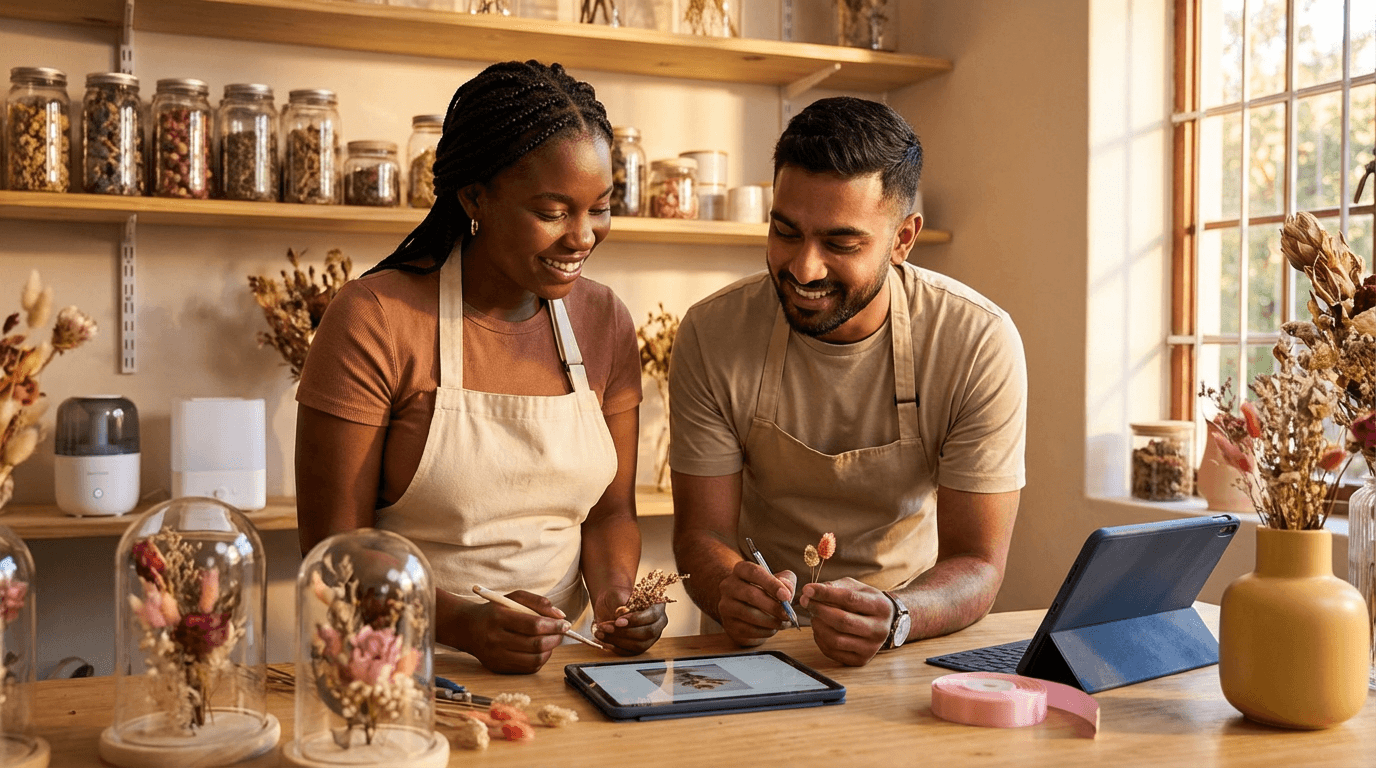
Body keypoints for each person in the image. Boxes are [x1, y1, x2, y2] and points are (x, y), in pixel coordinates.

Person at [295, 60, 666, 674]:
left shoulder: (604, 321)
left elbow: (609, 514)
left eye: (600, 207)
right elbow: (337, 554)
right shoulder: (375, 319)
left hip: (563, 669)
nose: (583, 237)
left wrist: (617, 599)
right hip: (394, 668)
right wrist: (464, 625)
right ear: (475, 196)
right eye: (552, 211)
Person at [670, 97, 1026, 667]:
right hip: (752, 653)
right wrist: (726, 588)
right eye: (786, 232)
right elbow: (699, 535)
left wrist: (899, 614)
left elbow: (980, 562)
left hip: (906, 640)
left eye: (840, 244)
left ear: (903, 239)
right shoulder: (713, 334)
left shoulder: (975, 341)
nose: (804, 268)